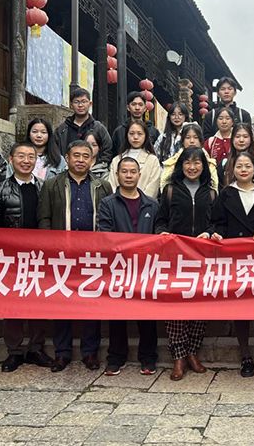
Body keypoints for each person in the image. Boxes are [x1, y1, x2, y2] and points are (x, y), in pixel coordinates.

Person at [38, 140, 113, 372]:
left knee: (91, 304)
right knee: (62, 304)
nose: (80, 160)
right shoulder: (52, 185)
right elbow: (44, 219)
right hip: (63, 254)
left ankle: (90, 352)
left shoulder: (102, 186)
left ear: (92, 160)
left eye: (85, 156)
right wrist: (50, 248)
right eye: (76, 155)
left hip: (93, 255)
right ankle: (62, 353)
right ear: (68, 158)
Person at [0, 143, 53, 373]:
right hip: (11, 256)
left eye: (31, 157)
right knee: (12, 304)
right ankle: (14, 351)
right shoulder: (0, 188)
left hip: (39, 256)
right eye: (21, 156)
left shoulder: (44, 187)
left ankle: (36, 348)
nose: (26, 161)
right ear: (11, 159)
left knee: (38, 303)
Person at [210, 151, 254, 378]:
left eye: (248, 166)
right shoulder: (226, 194)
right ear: (232, 170)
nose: (244, 170)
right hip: (235, 258)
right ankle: (245, 355)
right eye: (239, 166)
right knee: (241, 308)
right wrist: (217, 234)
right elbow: (217, 222)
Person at [155, 147, 218, 381]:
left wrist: (209, 233)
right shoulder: (170, 191)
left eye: (197, 162)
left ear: (204, 166)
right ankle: (178, 356)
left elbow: (218, 222)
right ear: (181, 166)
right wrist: (162, 233)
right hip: (176, 258)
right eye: (188, 163)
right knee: (175, 307)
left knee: (200, 306)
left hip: (202, 258)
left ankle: (193, 351)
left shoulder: (211, 193)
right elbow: (160, 221)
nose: (192, 167)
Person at [98, 157, 160, 376]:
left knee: (147, 315)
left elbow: (158, 233)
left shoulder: (152, 204)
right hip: (119, 266)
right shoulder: (107, 203)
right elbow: (104, 233)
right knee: (117, 314)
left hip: (145, 268)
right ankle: (116, 357)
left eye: (133, 171)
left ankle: (148, 357)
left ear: (139, 175)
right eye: (124, 171)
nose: (129, 175)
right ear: (117, 175)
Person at [55, 87, 113, 167]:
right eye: (76, 102)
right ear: (71, 105)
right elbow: (55, 151)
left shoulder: (99, 128)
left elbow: (108, 150)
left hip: (94, 171)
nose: (80, 105)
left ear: (90, 104)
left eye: (84, 101)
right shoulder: (62, 129)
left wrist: (97, 166)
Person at [109, 120, 161, 199]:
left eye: (139, 134)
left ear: (145, 136)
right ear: (126, 135)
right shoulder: (116, 160)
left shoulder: (152, 160)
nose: (135, 137)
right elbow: (112, 185)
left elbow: (153, 188)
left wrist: (141, 202)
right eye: (131, 133)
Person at [160, 123, 219, 191]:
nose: (192, 141)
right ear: (182, 141)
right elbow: (164, 184)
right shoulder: (173, 161)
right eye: (188, 138)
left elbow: (214, 186)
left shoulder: (209, 162)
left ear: (200, 140)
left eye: (195, 137)